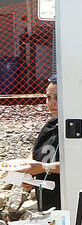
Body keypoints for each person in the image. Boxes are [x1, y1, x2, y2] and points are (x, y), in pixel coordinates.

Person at [14, 77, 60, 210]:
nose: (52, 103)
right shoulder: (51, 124)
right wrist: (28, 172)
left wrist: (43, 167)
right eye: (48, 97)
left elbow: (78, 165)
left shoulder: (78, 128)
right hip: (46, 202)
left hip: (66, 202)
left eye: (57, 98)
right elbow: (37, 150)